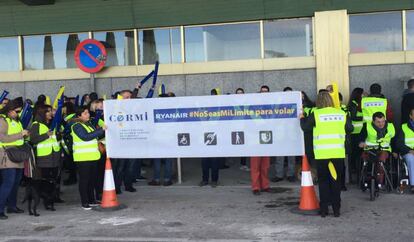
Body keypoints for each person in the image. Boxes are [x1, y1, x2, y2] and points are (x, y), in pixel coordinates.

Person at [300, 92, 353, 217]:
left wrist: (302, 117)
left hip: (322, 154)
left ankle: (324, 210)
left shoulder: (316, 114)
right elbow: (350, 129)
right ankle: (336, 209)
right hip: (337, 153)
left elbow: (305, 128)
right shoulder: (341, 113)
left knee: (323, 182)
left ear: (318, 102)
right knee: (336, 181)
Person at [0, 99, 30, 219]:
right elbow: (2, 138)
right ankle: (0, 209)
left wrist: (26, 135)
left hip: (17, 154)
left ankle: (12, 206)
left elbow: (19, 138)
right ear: (9, 110)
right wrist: (20, 134)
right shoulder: (2, 120)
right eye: (16, 111)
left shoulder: (17, 121)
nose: (17, 114)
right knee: (8, 183)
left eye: (19, 111)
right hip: (7, 155)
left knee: (15, 183)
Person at [71, 106, 105, 210]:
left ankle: (92, 200)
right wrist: (100, 130)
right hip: (83, 158)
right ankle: (85, 202)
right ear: (79, 115)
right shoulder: (76, 126)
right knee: (84, 181)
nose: (88, 115)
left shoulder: (88, 125)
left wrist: (102, 132)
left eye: (88, 113)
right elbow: (85, 137)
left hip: (93, 156)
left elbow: (94, 136)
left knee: (92, 180)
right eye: (85, 113)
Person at [30, 104, 64, 203]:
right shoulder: (36, 124)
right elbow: (33, 139)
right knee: (46, 179)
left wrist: (59, 135)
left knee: (56, 177)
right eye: (48, 111)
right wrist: (46, 135)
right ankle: (47, 199)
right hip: (45, 156)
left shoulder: (53, 123)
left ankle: (55, 197)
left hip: (55, 154)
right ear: (42, 113)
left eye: (50, 111)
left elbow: (56, 139)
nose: (51, 113)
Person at [358, 112, 396, 188]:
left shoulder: (391, 127)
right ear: (373, 121)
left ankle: (379, 182)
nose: (381, 124)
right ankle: (367, 181)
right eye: (378, 122)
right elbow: (360, 138)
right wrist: (361, 143)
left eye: (383, 121)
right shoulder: (367, 126)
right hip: (369, 150)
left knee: (380, 160)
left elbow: (394, 141)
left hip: (384, 150)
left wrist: (395, 151)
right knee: (365, 160)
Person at [250, 85, 271, 195]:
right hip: (255, 139)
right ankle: (256, 187)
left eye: (266, 92)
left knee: (265, 165)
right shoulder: (253, 107)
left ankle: (265, 185)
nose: (264, 93)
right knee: (255, 165)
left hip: (267, 138)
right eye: (262, 92)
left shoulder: (270, 107)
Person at [273, 87, 296, 182]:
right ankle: (279, 175)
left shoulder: (295, 104)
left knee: (291, 157)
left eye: (290, 93)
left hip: (291, 134)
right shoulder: (279, 105)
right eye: (286, 93)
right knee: (279, 156)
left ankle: (290, 174)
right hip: (280, 133)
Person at [347, 88, 364, 181]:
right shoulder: (354, 103)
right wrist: (364, 117)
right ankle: (355, 172)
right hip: (355, 132)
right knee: (356, 153)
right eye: (362, 93)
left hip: (360, 131)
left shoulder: (359, 102)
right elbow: (353, 116)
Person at [396, 108, 414, 192]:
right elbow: (399, 144)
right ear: (410, 116)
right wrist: (410, 150)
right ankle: (413, 185)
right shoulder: (404, 127)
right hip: (408, 152)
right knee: (411, 159)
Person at [235, 88, 250, 171]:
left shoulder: (247, 103)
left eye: (241, 93)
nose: (239, 94)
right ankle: (242, 164)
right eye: (238, 93)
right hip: (237, 127)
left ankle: (243, 164)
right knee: (240, 145)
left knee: (245, 146)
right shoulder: (233, 103)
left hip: (246, 127)